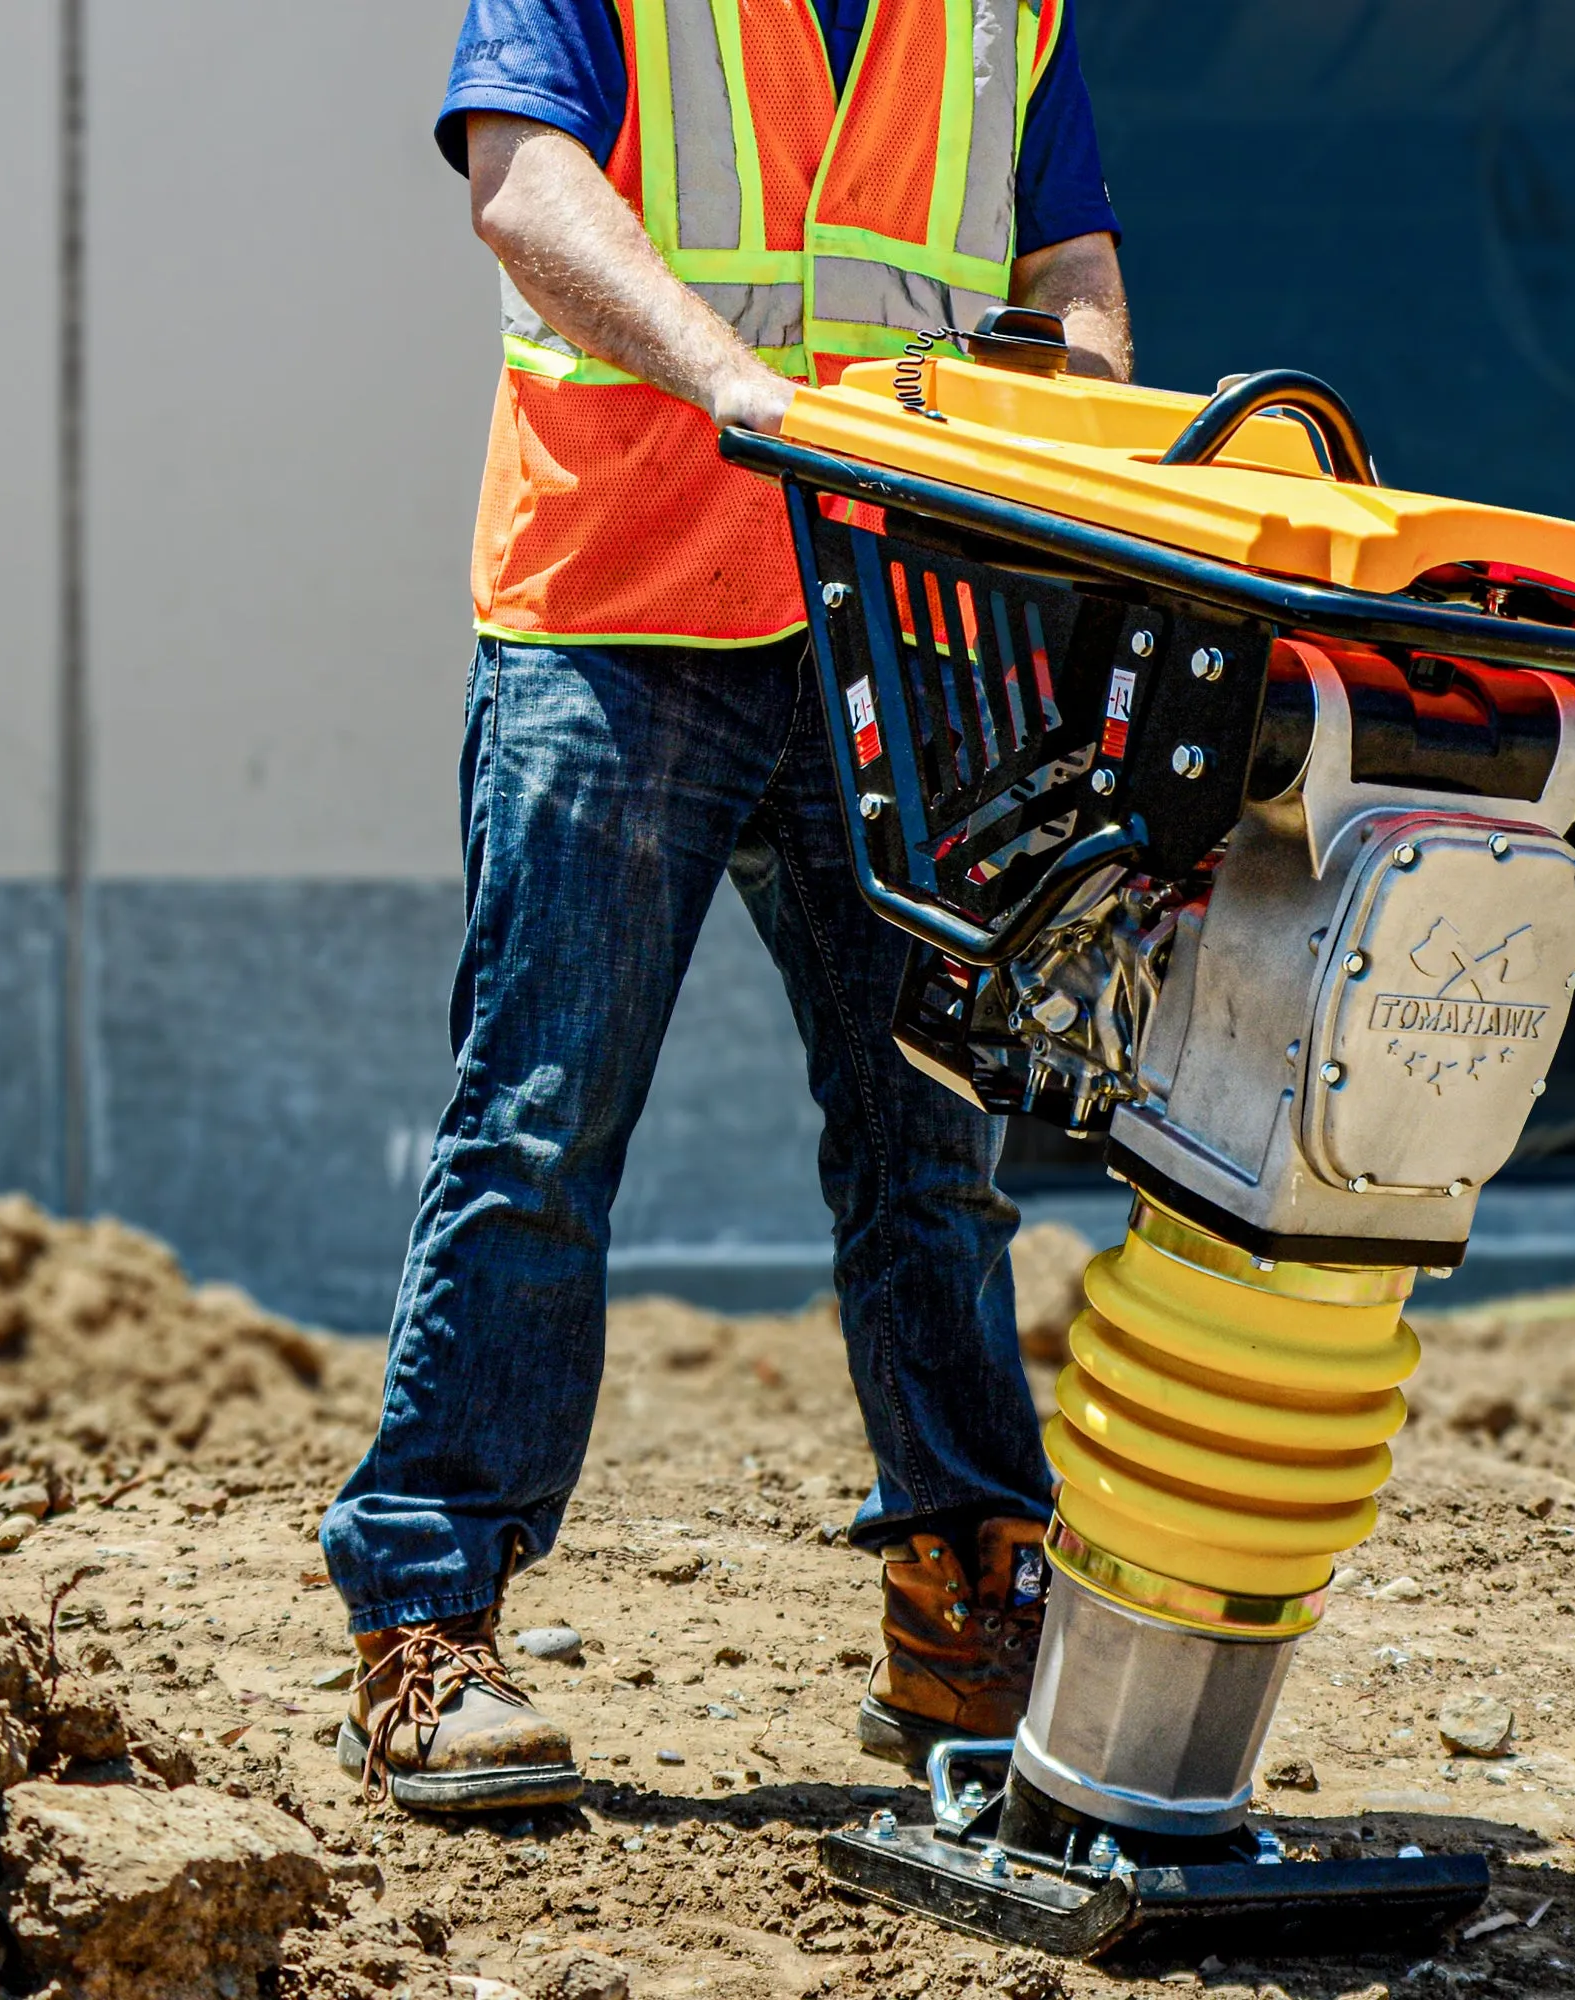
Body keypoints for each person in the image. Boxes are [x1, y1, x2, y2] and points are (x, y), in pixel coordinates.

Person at [318, 0, 1133, 1811]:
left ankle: (964, 1598)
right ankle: (426, 1622)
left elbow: (1065, 259)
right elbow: (526, 190)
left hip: (897, 632)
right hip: (616, 619)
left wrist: (1080, 449)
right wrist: (740, 388)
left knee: (935, 1147)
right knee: (538, 1130)